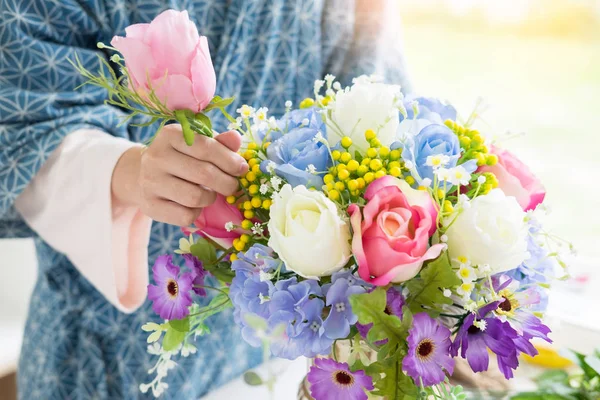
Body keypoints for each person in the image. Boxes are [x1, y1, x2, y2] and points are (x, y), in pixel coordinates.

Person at [0, 0, 411, 398]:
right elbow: (26, 103)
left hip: (278, 338)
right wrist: (128, 171)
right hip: (105, 353)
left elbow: (372, 87)